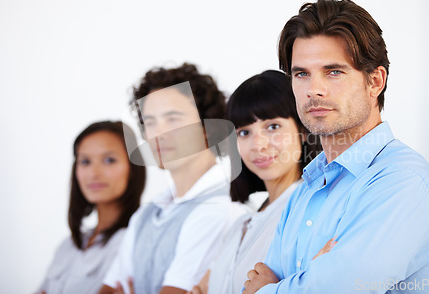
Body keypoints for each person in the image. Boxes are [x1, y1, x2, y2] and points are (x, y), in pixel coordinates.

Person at [244, 0, 429, 293]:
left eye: (333, 72)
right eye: (301, 74)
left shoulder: (406, 183)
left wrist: (269, 289)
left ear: (375, 81)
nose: (313, 90)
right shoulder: (306, 188)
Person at [100, 63, 246, 294]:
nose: (159, 134)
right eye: (150, 122)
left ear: (207, 127)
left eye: (173, 119)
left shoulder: (221, 209)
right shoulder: (146, 214)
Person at [188, 70, 322, 294]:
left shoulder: (312, 211)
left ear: (302, 129)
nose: (257, 145)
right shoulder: (240, 225)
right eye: (244, 132)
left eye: (272, 127)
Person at [37, 121, 146, 294]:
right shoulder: (68, 246)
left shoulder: (137, 243)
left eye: (109, 160)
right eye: (85, 161)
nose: (94, 173)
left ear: (133, 168)